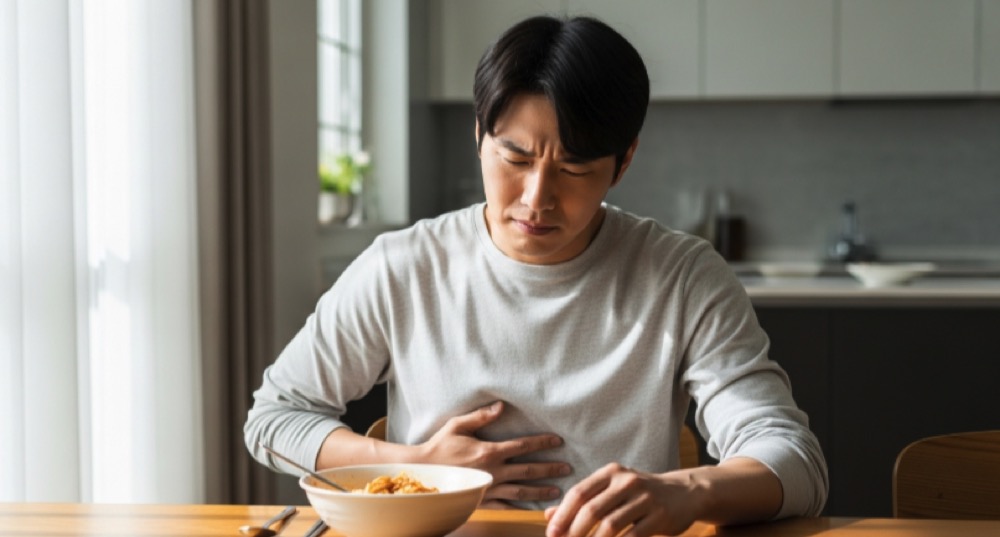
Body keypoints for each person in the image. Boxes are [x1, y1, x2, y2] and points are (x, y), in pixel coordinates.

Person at [245, 14, 827, 537]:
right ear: (479, 136)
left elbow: (796, 462)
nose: (537, 199)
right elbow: (273, 419)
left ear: (623, 162)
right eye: (515, 159)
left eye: (574, 168)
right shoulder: (404, 266)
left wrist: (686, 490)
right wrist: (412, 463)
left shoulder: (682, 277)